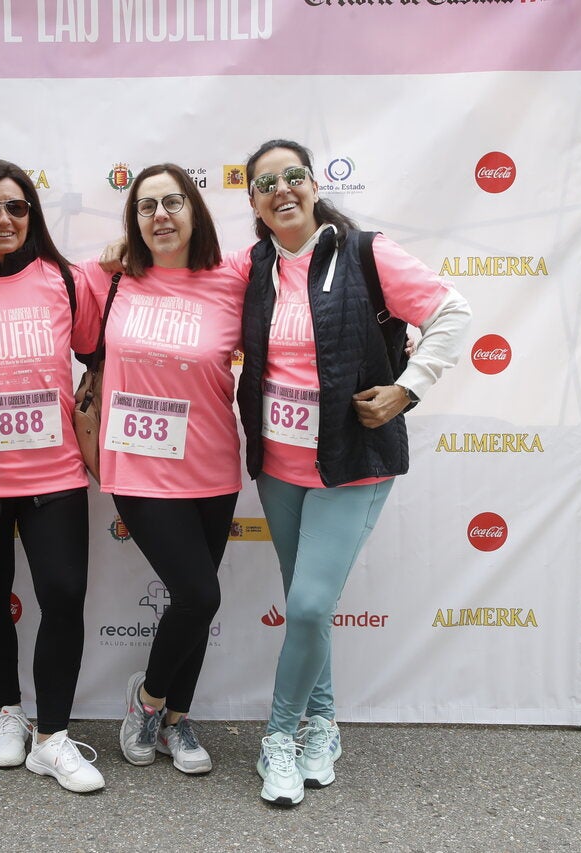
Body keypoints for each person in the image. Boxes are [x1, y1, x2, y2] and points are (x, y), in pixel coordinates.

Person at [238, 140, 472, 806]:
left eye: (293, 177)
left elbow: (452, 312)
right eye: (265, 183)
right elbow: (187, 283)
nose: (281, 189)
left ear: (312, 186)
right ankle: (324, 725)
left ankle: (280, 737)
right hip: (278, 464)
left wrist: (410, 386)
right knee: (308, 610)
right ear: (252, 200)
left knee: (309, 603)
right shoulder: (252, 266)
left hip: (352, 461)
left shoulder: (367, 253)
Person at [0, 159, 105, 794]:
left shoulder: (64, 279)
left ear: (32, 213)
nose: (4, 219)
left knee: (62, 593)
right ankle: (7, 713)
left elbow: (96, 353)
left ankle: (52, 736)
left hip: (54, 471)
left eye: (16, 206)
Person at [82, 164, 250, 776]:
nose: (160, 215)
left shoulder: (232, 277)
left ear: (194, 210)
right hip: (136, 466)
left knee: (196, 603)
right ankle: (146, 702)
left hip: (210, 465)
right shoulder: (113, 280)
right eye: (147, 205)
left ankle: (176, 721)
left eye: (172, 202)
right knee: (198, 592)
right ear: (134, 220)